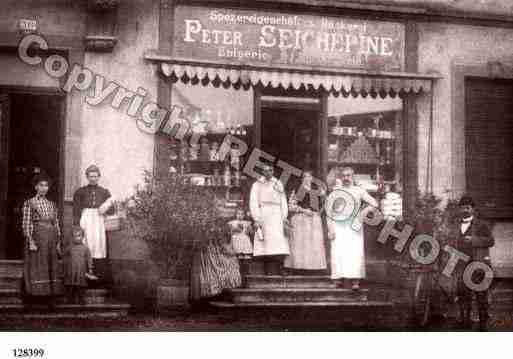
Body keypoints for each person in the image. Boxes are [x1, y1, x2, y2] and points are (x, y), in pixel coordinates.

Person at [327, 167, 378, 290]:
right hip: (339, 224)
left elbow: (374, 203)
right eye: (344, 176)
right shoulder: (335, 192)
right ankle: (338, 278)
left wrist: (363, 212)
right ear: (341, 177)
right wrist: (331, 229)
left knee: (354, 252)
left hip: (354, 225)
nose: (346, 178)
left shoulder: (359, 191)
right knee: (338, 251)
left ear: (353, 177)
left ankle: (355, 281)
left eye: (349, 176)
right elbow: (329, 212)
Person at [451, 195, 494, 330]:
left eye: (468, 207)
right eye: (462, 207)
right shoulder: (455, 225)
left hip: (478, 265)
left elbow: (491, 241)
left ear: (473, 209)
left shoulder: (482, 225)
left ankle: (483, 324)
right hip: (462, 266)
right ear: (459, 209)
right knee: (463, 294)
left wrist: (474, 240)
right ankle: (465, 321)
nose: (465, 210)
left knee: (481, 295)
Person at [22, 173, 63, 306]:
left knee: (51, 266)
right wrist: (31, 241)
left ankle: (50, 297)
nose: (44, 188)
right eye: (41, 185)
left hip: (51, 239)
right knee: (38, 266)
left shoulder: (52, 204)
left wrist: (58, 241)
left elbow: (56, 223)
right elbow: (27, 223)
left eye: (46, 185)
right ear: (36, 187)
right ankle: (36, 297)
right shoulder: (30, 203)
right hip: (38, 239)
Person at [72, 165, 114, 281]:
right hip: (86, 221)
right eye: (91, 176)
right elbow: (76, 210)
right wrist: (76, 226)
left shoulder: (104, 192)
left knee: (98, 246)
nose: (93, 179)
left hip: (99, 223)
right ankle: (84, 276)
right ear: (87, 177)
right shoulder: (80, 192)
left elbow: (111, 211)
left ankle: (98, 277)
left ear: (99, 177)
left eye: (95, 176)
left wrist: (109, 204)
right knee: (86, 244)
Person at [249, 163, 289, 275]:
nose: (268, 172)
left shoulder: (278, 183)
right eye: (265, 170)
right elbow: (253, 202)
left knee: (278, 241)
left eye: (270, 170)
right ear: (262, 171)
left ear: (273, 171)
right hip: (264, 213)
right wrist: (256, 218)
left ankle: (280, 267)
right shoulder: (257, 184)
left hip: (277, 213)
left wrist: (284, 217)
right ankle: (268, 269)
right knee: (265, 242)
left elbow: (283, 200)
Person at [284, 170, 327, 271]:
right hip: (301, 219)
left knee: (313, 242)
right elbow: (291, 206)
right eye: (305, 177)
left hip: (314, 219)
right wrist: (304, 210)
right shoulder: (300, 190)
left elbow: (325, 203)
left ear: (312, 178)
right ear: (302, 179)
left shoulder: (316, 190)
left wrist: (319, 212)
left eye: (309, 177)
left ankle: (313, 268)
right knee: (302, 242)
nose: (307, 179)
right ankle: (299, 267)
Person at [190, 218, 242, 302]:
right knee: (229, 262)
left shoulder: (218, 232)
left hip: (210, 253)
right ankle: (215, 290)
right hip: (210, 255)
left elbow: (222, 245)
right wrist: (232, 253)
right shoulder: (216, 233)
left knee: (228, 261)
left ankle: (217, 291)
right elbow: (222, 246)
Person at [63, 226, 97, 304]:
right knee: (70, 285)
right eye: (75, 236)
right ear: (72, 237)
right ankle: (70, 299)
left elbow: (89, 259)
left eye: (79, 236)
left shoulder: (85, 248)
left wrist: (90, 268)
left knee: (81, 285)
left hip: (81, 270)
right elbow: (64, 256)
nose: (77, 238)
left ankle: (81, 299)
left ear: (82, 237)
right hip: (71, 270)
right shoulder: (70, 248)